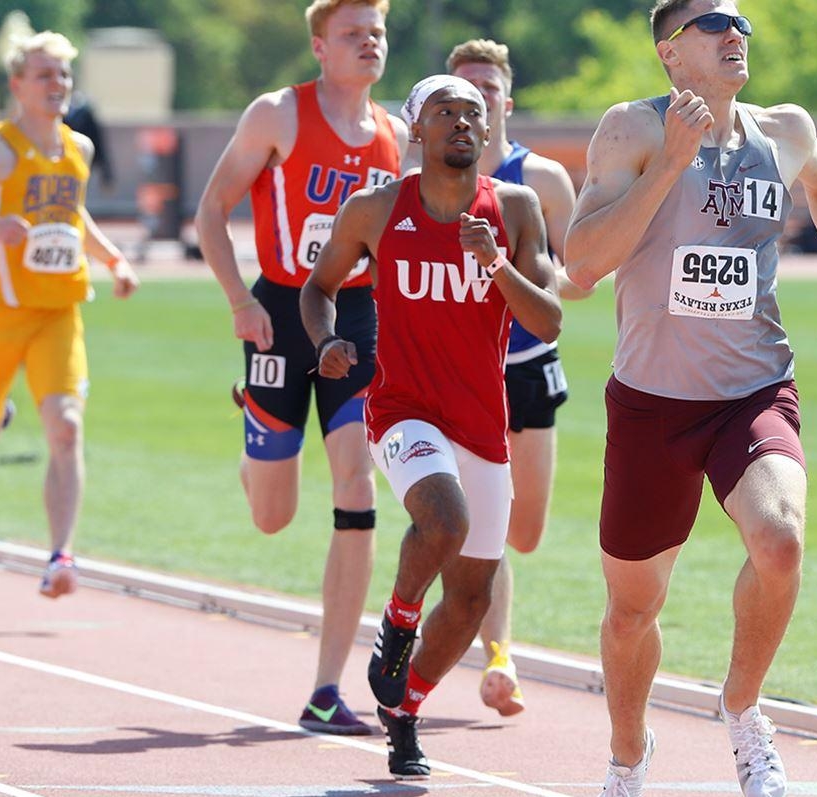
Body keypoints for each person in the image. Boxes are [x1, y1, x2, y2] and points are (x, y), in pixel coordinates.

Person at [562, 2, 817, 796]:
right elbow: (584, 262)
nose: (735, 33)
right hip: (652, 402)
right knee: (633, 610)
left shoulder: (786, 131)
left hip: (753, 388)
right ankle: (629, 754)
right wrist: (672, 163)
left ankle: (743, 711)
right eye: (711, 23)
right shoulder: (631, 131)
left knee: (781, 541)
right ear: (671, 54)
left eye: (741, 21)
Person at [300, 74, 561, 779]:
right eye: (444, 112)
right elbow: (318, 287)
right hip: (404, 409)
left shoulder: (514, 207)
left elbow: (549, 318)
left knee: (473, 598)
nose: (461, 123)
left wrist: (495, 263)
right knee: (441, 521)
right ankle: (396, 620)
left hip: (483, 419)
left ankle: (404, 711)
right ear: (416, 130)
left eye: (472, 112)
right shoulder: (376, 209)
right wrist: (326, 342)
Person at [193, 0, 408, 737]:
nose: (368, 42)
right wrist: (236, 303)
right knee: (272, 514)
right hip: (281, 312)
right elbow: (211, 209)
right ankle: (254, 420)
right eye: (353, 33)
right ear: (320, 46)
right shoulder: (277, 115)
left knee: (357, 481)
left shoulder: (396, 136)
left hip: (354, 319)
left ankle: (326, 688)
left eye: (377, 32)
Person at [0, 31, 140, 598]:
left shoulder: (79, 149)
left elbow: (74, 216)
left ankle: (61, 556)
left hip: (58, 312)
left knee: (67, 428)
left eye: (64, 75)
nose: (57, 85)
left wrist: (113, 259)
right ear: (17, 85)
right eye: (44, 75)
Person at [446, 37, 593, 718]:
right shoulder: (430, 176)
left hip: (528, 364)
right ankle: (497, 653)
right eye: (463, 92)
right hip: (459, 372)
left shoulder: (543, 179)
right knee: (483, 515)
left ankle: (482, 628)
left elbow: (581, 275)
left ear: (508, 96)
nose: (478, 102)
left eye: (488, 89)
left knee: (524, 529)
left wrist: (523, 278)